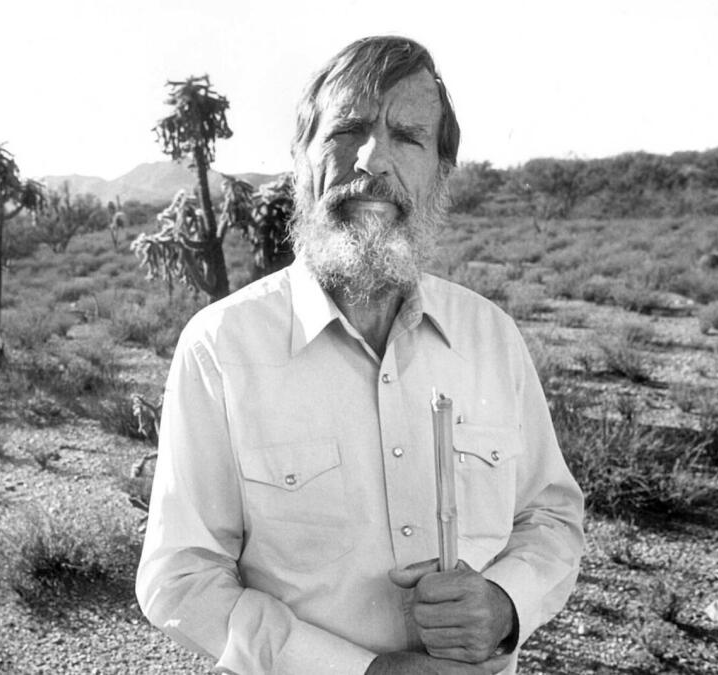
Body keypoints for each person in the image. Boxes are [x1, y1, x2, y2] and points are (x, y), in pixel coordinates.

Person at [136, 35, 585, 675]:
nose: (373, 159)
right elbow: (179, 576)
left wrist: (506, 604)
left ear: (440, 173)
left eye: (407, 136)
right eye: (348, 129)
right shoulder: (222, 348)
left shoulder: (490, 337)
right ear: (301, 158)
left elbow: (550, 515)